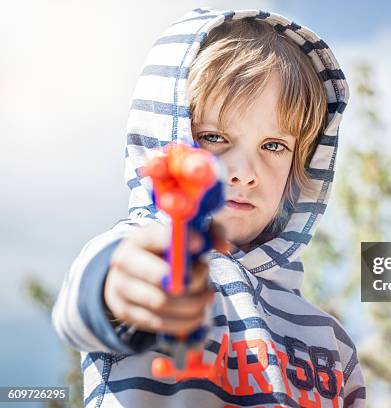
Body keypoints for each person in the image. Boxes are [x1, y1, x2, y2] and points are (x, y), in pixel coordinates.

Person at [52, 7, 366, 407]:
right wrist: (120, 286)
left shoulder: (329, 339)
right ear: (166, 139)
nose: (244, 172)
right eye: (214, 137)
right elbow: (82, 309)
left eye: (274, 146)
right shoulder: (146, 251)